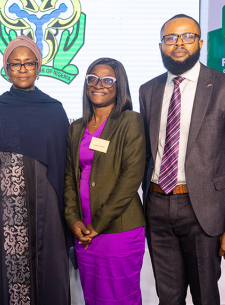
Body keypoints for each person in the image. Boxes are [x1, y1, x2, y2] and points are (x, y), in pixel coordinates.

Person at [140, 14, 225, 304]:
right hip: (156, 207)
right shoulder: (148, 90)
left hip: (203, 211)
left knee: (205, 296)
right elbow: (146, 153)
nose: (179, 43)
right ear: (161, 46)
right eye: (171, 38)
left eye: (187, 36)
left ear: (200, 42)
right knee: (168, 298)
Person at [0, 35, 70, 305]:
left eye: (28, 63)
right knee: (4, 283)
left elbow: (66, 170)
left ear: (38, 67)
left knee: (50, 279)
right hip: (3, 216)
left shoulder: (54, 111)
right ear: (6, 69)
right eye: (15, 64)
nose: (22, 69)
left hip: (49, 216)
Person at [64, 58, 146, 304]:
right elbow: (69, 174)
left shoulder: (130, 121)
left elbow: (131, 178)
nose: (99, 85)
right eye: (92, 78)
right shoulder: (76, 127)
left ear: (119, 86)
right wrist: (72, 219)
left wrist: (98, 225)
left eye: (108, 80)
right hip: (84, 231)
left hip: (118, 229)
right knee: (93, 297)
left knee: (120, 297)